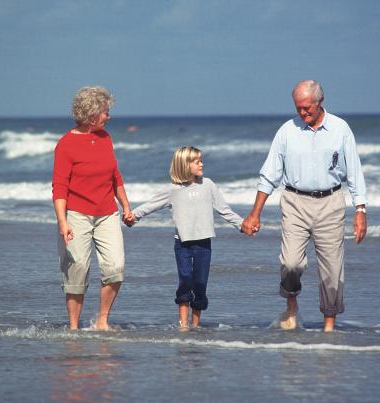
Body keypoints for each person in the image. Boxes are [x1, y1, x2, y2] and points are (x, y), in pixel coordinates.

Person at [241, 80, 367, 332]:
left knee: (332, 271)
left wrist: (360, 210)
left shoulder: (341, 129)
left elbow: (354, 171)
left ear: (321, 102)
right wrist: (255, 213)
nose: (302, 113)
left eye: (307, 108)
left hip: (331, 203)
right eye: (298, 108)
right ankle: (291, 305)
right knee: (291, 264)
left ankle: (329, 326)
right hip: (295, 202)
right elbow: (269, 175)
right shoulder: (287, 131)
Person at [124, 146, 243, 330]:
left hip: (204, 243)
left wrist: (243, 225)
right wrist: (134, 216)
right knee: (186, 279)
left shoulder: (208, 185)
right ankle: (183, 323)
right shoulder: (174, 190)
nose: (201, 164)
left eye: (201, 160)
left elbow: (224, 210)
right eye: (197, 161)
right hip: (183, 244)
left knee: (200, 283)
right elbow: (152, 204)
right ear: (184, 165)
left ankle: (195, 324)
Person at [52, 86, 132, 331]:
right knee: (76, 271)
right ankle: (74, 327)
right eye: (106, 112)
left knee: (115, 268)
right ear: (92, 114)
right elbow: (59, 187)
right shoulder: (65, 144)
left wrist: (126, 207)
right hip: (76, 215)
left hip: (108, 213)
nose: (109, 116)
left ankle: (102, 320)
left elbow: (115, 176)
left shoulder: (106, 138)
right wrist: (63, 223)